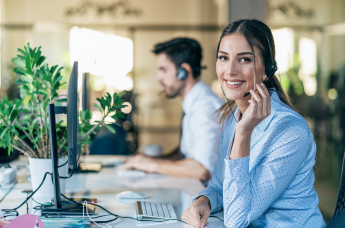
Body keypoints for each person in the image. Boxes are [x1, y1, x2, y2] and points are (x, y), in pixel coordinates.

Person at [181, 19, 326, 227]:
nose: (230, 70)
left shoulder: (290, 130)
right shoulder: (232, 117)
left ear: (267, 68)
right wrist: (204, 200)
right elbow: (220, 185)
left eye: (244, 60)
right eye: (223, 58)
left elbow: (237, 219)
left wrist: (243, 134)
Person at [123, 38, 223, 181]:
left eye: (163, 69)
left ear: (184, 71)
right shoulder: (194, 104)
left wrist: (152, 164)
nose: (158, 78)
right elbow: (188, 153)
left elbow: (202, 169)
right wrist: (153, 160)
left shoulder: (206, 108)